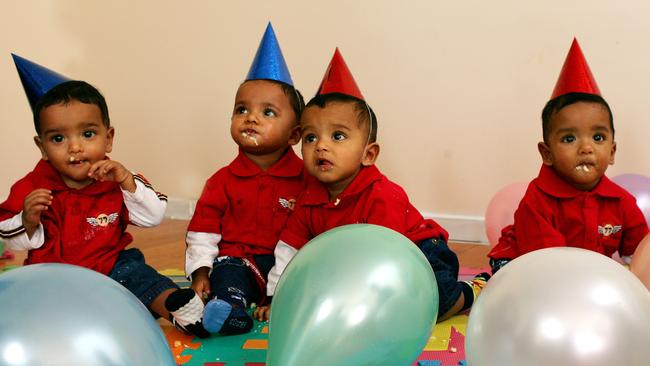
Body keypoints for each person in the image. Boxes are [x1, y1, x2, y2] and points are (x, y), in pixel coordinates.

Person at [254, 48, 489, 323]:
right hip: (353, 265)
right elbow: (288, 249)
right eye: (310, 138)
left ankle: (470, 291)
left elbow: (387, 257)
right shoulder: (308, 198)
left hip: (418, 252)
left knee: (431, 304)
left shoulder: (382, 195)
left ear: (369, 154)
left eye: (338, 136)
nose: (321, 146)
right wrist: (278, 297)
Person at [1, 54, 209, 338]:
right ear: (42, 147)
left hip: (111, 264)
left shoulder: (116, 179)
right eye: (58, 139)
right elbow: (6, 230)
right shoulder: (33, 185)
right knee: (31, 299)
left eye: (87, 134)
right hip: (54, 272)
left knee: (138, 275)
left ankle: (177, 308)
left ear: (108, 137)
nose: (74, 147)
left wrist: (126, 181)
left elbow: (154, 216)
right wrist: (28, 219)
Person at [184, 23, 306, 335]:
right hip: (239, 261)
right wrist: (200, 272)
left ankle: (284, 303)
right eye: (242, 109)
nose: (250, 117)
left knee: (305, 279)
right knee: (228, 279)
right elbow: (203, 232)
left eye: (268, 112)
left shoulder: (307, 180)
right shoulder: (222, 181)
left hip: (290, 264)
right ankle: (231, 312)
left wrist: (278, 291)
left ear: (294, 134)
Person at [488, 39, 650, 274]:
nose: (586, 148)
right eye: (569, 139)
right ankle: (483, 282)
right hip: (526, 261)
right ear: (547, 153)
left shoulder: (620, 201)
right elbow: (548, 264)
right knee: (518, 282)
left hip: (583, 271)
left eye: (598, 138)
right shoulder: (537, 202)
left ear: (612, 151)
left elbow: (640, 251)